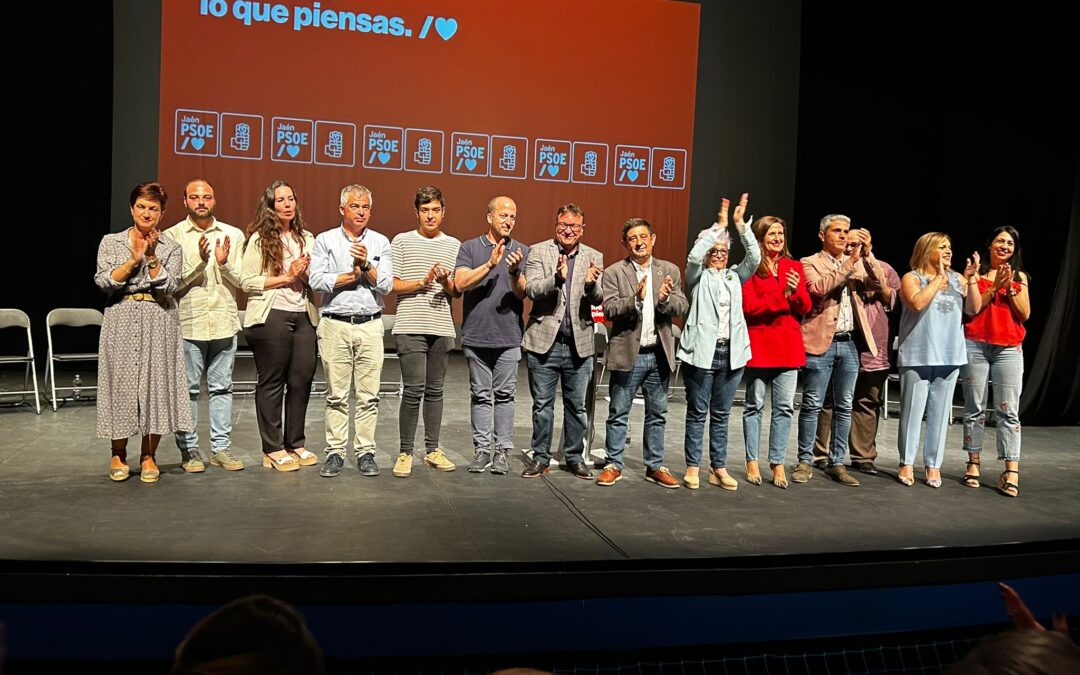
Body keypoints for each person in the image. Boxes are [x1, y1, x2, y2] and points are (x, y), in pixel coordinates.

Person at [95, 182, 192, 483]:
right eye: (141, 206)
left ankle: (149, 455)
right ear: (131, 208)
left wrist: (151, 258)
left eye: (153, 208)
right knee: (120, 384)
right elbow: (104, 281)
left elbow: (169, 286)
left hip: (159, 317)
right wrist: (133, 259)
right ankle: (118, 453)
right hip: (121, 315)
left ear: (162, 213)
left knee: (156, 384)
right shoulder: (111, 242)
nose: (147, 212)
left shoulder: (171, 247)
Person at [796, 215, 887, 487]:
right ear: (823, 235)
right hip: (821, 342)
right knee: (812, 404)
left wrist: (868, 255)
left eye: (846, 231)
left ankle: (837, 462)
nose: (843, 236)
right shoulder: (809, 262)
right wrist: (850, 263)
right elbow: (818, 288)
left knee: (845, 405)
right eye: (837, 231)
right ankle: (805, 460)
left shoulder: (857, 262)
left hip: (849, 343)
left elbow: (880, 284)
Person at [309, 184, 393, 478]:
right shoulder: (326, 240)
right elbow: (316, 279)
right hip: (336, 324)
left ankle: (366, 451)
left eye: (366, 206)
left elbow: (386, 284)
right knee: (337, 395)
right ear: (342, 208)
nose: (361, 211)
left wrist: (366, 265)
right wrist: (350, 276)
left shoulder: (381, 242)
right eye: (355, 206)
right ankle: (334, 452)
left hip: (370, 324)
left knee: (369, 396)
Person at [598, 218, 689, 488]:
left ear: (653, 239)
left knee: (657, 413)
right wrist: (635, 299)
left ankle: (655, 465)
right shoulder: (615, 272)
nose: (639, 242)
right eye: (633, 238)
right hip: (628, 353)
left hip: (658, 353)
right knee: (618, 411)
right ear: (625, 243)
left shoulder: (668, 269)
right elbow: (609, 309)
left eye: (643, 237)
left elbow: (681, 306)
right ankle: (614, 463)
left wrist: (663, 300)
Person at [164, 179, 246, 473]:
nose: (201, 201)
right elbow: (170, 285)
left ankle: (221, 448)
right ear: (184, 201)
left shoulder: (233, 235)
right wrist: (200, 262)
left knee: (222, 388)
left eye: (207, 197)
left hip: (224, 321)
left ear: (215, 201)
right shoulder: (171, 237)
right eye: (195, 197)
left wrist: (222, 264)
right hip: (189, 322)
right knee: (187, 391)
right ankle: (189, 451)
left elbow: (241, 280)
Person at [678, 194, 760, 490]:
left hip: (731, 354)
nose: (719, 253)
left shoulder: (735, 277)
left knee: (722, 415)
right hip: (702, 353)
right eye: (714, 249)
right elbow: (692, 257)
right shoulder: (697, 276)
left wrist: (739, 225)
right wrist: (718, 227)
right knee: (698, 412)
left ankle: (718, 467)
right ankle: (692, 467)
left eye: (724, 249)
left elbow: (755, 258)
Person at [240, 180, 319, 472]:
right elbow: (246, 281)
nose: (287, 204)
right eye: (280, 200)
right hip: (271, 314)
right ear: (271, 206)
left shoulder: (306, 238)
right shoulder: (260, 239)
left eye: (291, 199)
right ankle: (272, 448)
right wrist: (287, 276)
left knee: (301, 380)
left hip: (304, 314)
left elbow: (315, 278)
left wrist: (306, 273)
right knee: (273, 381)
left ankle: (295, 442)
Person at [520, 203, 604, 479]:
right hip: (545, 341)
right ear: (555, 225)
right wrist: (556, 278)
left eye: (573, 226)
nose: (567, 230)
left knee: (577, 406)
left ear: (582, 229)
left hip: (578, 343)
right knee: (542, 406)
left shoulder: (594, 256)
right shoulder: (538, 251)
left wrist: (591, 285)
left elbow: (598, 298)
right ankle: (540, 457)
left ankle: (574, 457)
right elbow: (532, 290)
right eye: (562, 225)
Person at [813, 228, 902, 475]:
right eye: (848, 244)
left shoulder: (882, 268)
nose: (851, 248)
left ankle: (862, 456)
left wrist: (871, 269)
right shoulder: (836, 268)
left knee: (868, 400)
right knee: (830, 399)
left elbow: (894, 301)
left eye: (857, 245)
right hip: (840, 342)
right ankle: (822, 453)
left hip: (875, 344)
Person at [896, 232, 978, 487]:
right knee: (912, 411)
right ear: (927, 249)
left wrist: (972, 279)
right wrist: (938, 278)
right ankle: (907, 463)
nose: (948, 251)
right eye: (942, 246)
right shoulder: (911, 277)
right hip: (918, 353)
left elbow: (973, 309)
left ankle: (933, 465)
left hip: (950, 353)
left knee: (940, 414)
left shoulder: (958, 279)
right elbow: (916, 303)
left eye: (950, 247)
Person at [454, 196, 528, 476]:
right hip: (477, 335)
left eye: (512, 216)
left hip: (508, 335)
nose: (508, 221)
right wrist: (489, 264)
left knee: (506, 395)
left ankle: (502, 452)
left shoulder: (522, 250)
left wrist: (512, 271)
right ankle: (482, 450)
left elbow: (522, 292)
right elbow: (459, 283)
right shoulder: (470, 247)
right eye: (503, 215)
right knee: (481, 395)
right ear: (489, 217)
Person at [390, 186, 461, 477]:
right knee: (414, 389)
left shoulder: (454, 245)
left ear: (443, 211)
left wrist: (444, 282)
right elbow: (392, 284)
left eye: (435, 210)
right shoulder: (402, 241)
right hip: (410, 325)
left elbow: (456, 291)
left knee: (435, 391)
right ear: (417, 212)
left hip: (441, 325)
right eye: (425, 210)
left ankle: (432, 449)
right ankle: (405, 451)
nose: (430, 215)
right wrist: (422, 281)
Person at [741, 216, 811, 488]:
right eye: (771, 233)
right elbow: (750, 309)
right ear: (760, 238)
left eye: (781, 233)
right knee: (754, 405)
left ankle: (778, 462)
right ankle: (752, 460)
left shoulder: (794, 266)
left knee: (784, 408)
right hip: (759, 346)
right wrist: (781, 293)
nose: (777, 238)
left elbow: (804, 307)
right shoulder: (750, 268)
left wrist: (793, 292)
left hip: (788, 348)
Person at [960, 226, 1030, 497]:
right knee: (974, 407)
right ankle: (973, 464)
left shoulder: (1020, 277)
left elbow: (1024, 314)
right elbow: (972, 309)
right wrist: (995, 287)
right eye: (1000, 241)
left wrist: (1010, 287)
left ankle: (1011, 470)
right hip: (975, 345)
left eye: (1010, 243)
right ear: (989, 245)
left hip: (1009, 348)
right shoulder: (976, 275)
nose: (1004, 246)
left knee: (1007, 410)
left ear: (1015, 249)